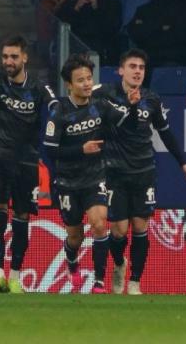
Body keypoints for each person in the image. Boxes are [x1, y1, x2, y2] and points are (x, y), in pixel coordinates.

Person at [94, 49, 186, 295]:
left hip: (143, 169)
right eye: (132, 66)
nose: (137, 71)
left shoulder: (151, 98)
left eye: (141, 67)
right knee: (118, 231)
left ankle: (135, 282)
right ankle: (119, 263)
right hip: (115, 171)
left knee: (140, 227)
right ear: (121, 70)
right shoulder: (106, 94)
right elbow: (110, 119)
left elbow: (165, 132)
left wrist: (183, 162)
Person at [0, 34, 58, 294]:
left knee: (22, 217)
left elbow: (56, 106)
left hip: (26, 161)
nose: (9, 61)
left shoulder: (38, 87)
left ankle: (15, 276)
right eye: (5, 56)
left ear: (24, 58)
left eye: (14, 56)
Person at [43, 54, 140, 294]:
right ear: (69, 84)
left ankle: (98, 282)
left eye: (89, 78)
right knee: (74, 236)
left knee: (99, 224)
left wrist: (131, 105)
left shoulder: (100, 105)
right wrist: (80, 149)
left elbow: (123, 120)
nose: (87, 83)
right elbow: (50, 150)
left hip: (95, 177)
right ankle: (72, 261)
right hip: (67, 182)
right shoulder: (60, 112)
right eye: (80, 80)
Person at [57, 0, 122, 64]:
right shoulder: (68, 5)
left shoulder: (112, 4)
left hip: (103, 55)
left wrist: (96, 6)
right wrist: (77, 6)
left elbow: (112, 29)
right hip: (75, 56)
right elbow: (62, 29)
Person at [127, 0, 186, 68]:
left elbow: (179, 38)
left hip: (173, 60)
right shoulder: (142, 10)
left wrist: (150, 29)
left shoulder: (182, 11)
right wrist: (162, 28)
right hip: (146, 60)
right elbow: (135, 33)